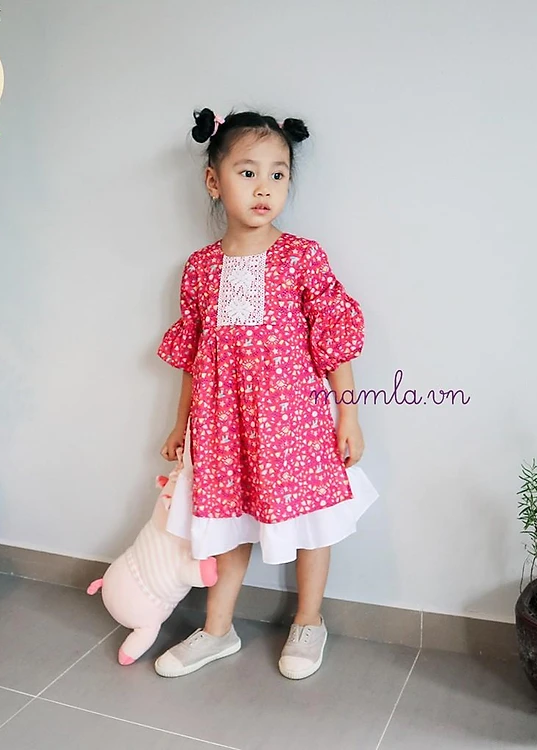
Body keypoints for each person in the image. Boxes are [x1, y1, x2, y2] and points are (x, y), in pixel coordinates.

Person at [155, 108, 378, 680]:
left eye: (278, 174)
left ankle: (309, 621)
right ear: (214, 181)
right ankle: (218, 629)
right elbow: (193, 357)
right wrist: (180, 423)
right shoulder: (200, 269)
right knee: (229, 524)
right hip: (223, 426)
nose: (264, 188)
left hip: (294, 424)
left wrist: (348, 416)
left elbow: (333, 342)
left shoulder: (302, 257)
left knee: (310, 521)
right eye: (248, 172)